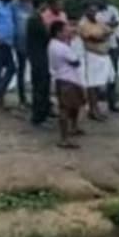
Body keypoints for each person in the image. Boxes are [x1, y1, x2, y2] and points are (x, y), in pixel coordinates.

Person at [48, 20, 84, 149]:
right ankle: (64, 139)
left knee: (74, 106)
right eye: (65, 30)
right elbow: (75, 62)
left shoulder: (54, 44)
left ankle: (72, 129)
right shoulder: (61, 47)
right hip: (66, 79)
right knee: (65, 109)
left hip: (66, 78)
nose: (68, 32)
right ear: (58, 33)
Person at [77, 3, 112, 122]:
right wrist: (102, 36)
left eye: (95, 11)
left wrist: (101, 35)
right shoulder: (83, 23)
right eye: (91, 11)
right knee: (91, 85)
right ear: (86, 11)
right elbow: (90, 37)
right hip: (91, 55)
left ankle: (96, 108)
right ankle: (92, 109)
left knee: (98, 85)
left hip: (101, 55)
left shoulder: (98, 21)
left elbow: (109, 31)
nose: (94, 13)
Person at [26, 0, 53, 127]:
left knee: (42, 86)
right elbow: (46, 36)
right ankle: (38, 117)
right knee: (40, 86)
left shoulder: (35, 18)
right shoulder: (34, 20)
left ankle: (42, 113)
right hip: (38, 57)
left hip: (38, 56)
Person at [11, 0, 35, 108]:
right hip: (19, 42)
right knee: (21, 70)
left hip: (31, 42)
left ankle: (33, 98)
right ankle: (22, 99)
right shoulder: (13, 5)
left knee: (34, 69)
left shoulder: (30, 5)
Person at [100, 0, 119, 77]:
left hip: (114, 40)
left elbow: (117, 22)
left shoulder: (113, 9)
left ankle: (116, 76)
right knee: (105, 60)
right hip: (102, 41)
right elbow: (100, 26)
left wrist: (106, 24)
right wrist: (110, 23)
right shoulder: (97, 12)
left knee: (115, 59)